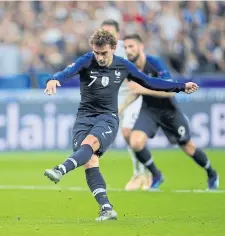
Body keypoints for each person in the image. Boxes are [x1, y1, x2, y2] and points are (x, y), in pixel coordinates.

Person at [43, 29, 198, 221]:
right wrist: (53, 80)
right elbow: (66, 73)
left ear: (114, 48)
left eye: (104, 53)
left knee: (89, 144)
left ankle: (61, 169)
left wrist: (181, 86)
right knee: (90, 161)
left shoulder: (123, 66)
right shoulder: (86, 60)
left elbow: (150, 82)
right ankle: (106, 208)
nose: (99, 57)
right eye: (96, 53)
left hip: (107, 118)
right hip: (83, 118)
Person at [121, 34, 219, 190]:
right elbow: (133, 93)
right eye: (125, 47)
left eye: (131, 46)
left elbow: (169, 91)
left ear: (141, 47)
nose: (128, 50)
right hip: (149, 110)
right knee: (135, 142)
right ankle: (156, 174)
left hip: (168, 111)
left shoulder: (155, 63)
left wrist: (142, 89)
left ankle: (211, 173)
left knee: (188, 147)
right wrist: (119, 109)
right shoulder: (129, 69)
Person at [101, 19, 151, 191]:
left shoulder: (126, 50)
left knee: (128, 131)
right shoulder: (99, 52)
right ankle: (143, 172)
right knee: (127, 136)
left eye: (110, 32)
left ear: (117, 34)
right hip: (115, 101)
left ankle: (141, 173)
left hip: (133, 97)